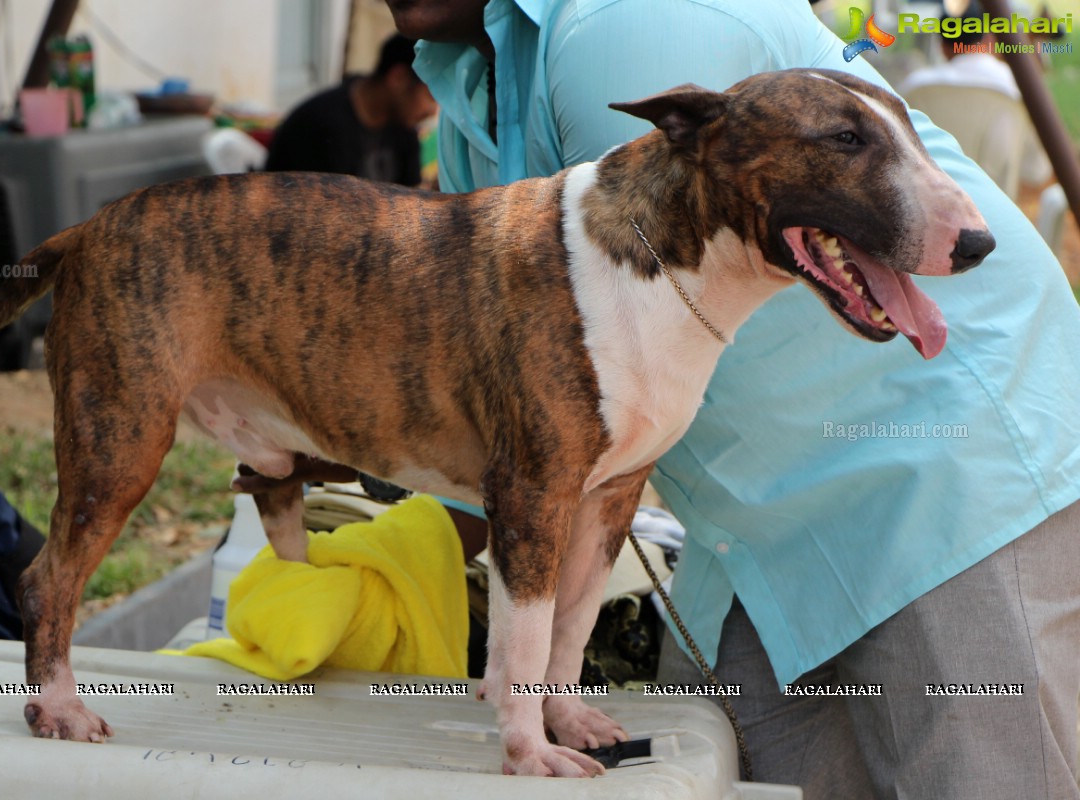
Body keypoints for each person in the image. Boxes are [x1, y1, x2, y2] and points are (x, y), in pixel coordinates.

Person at [383, 1, 1080, 797]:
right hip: (749, 531)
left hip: (940, 483)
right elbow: (518, 398)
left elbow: (577, 370)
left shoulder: (625, 29)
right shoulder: (467, 81)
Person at [900, 1, 1050, 186]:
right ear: (989, 38)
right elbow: (1036, 171)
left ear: (943, 46)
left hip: (923, 208)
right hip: (993, 212)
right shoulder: (1016, 89)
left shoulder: (914, 88)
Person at [264, 33, 437, 186]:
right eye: (431, 95)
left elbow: (411, 194)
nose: (433, 110)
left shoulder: (403, 125)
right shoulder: (321, 125)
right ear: (398, 78)